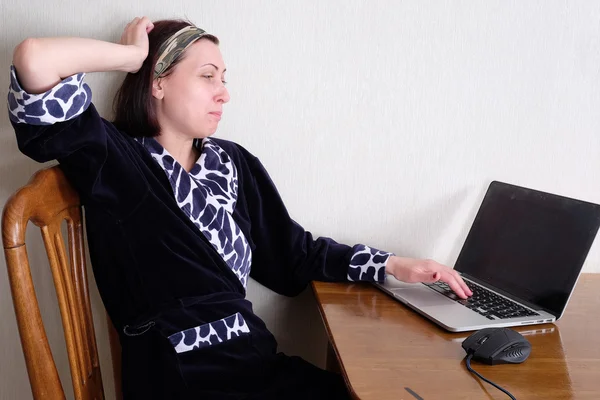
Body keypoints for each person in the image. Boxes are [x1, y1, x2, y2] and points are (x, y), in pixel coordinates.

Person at [8, 16, 471, 400]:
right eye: (207, 76)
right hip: (180, 375)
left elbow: (293, 258)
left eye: (224, 79)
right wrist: (130, 56)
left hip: (251, 364)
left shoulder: (232, 162)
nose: (223, 92)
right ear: (158, 83)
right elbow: (35, 60)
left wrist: (395, 265)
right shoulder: (118, 159)